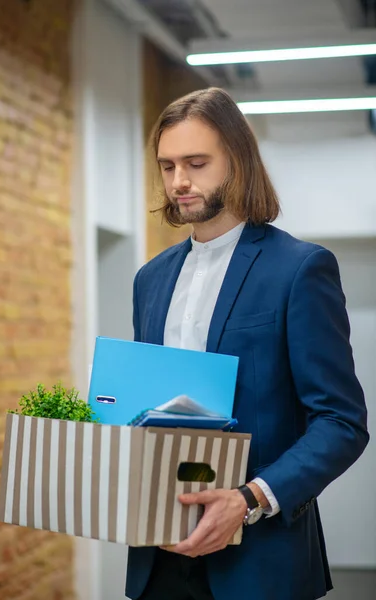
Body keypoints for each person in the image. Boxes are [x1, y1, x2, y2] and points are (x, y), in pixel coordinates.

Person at [125, 87, 369, 600]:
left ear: (237, 161)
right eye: (167, 166)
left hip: (261, 562)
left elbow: (342, 422)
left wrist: (249, 498)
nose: (180, 182)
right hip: (159, 559)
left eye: (196, 162)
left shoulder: (300, 269)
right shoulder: (150, 279)